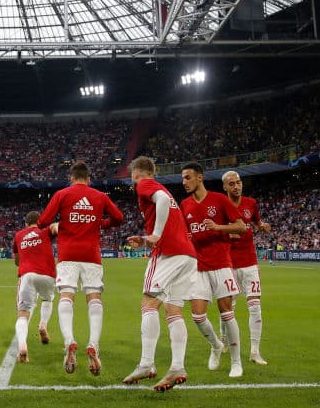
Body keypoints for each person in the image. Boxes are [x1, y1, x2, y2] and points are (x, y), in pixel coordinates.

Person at [37, 160, 124, 376]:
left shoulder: (62, 194)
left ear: (71, 177)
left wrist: (62, 223)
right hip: (91, 255)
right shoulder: (100, 196)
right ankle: (93, 344)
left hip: (68, 254)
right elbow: (119, 218)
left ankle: (69, 341)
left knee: (67, 295)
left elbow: (42, 221)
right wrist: (99, 223)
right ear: (89, 178)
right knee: (94, 298)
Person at [123, 156, 198, 392]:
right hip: (187, 255)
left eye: (132, 174)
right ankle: (177, 367)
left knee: (148, 304)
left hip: (168, 254)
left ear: (136, 173)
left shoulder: (145, 184)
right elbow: (166, 205)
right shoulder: (162, 188)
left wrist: (155, 235)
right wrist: (147, 239)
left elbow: (162, 201)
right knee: (173, 311)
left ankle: (147, 363)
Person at [180, 161, 247, 378]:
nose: (184, 182)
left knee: (227, 313)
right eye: (182, 179)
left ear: (200, 178)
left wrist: (218, 227)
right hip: (197, 267)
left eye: (188, 177)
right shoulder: (185, 205)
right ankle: (216, 345)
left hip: (221, 264)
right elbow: (185, 233)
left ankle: (236, 362)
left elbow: (241, 226)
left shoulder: (219, 199)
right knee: (198, 317)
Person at [221, 170, 272, 365]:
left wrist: (262, 226)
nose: (236, 186)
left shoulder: (251, 203)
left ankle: (255, 351)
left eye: (238, 182)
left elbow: (257, 222)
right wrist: (228, 233)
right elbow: (212, 231)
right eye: (231, 184)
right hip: (228, 264)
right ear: (225, 187)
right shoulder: (219, 206)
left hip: (250, 262)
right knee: (228, 308)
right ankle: (224, 340)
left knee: (255, 307)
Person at [12, 211, 58, 363]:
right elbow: (55, 228)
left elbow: (16, 261)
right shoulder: (45, 231)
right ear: (40, 222)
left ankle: (22, 347)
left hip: (27, 275)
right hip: (47, 274)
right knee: (47, 299)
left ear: (26, 224)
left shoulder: (18, 235)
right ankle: (43, 325)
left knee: (23, 314)